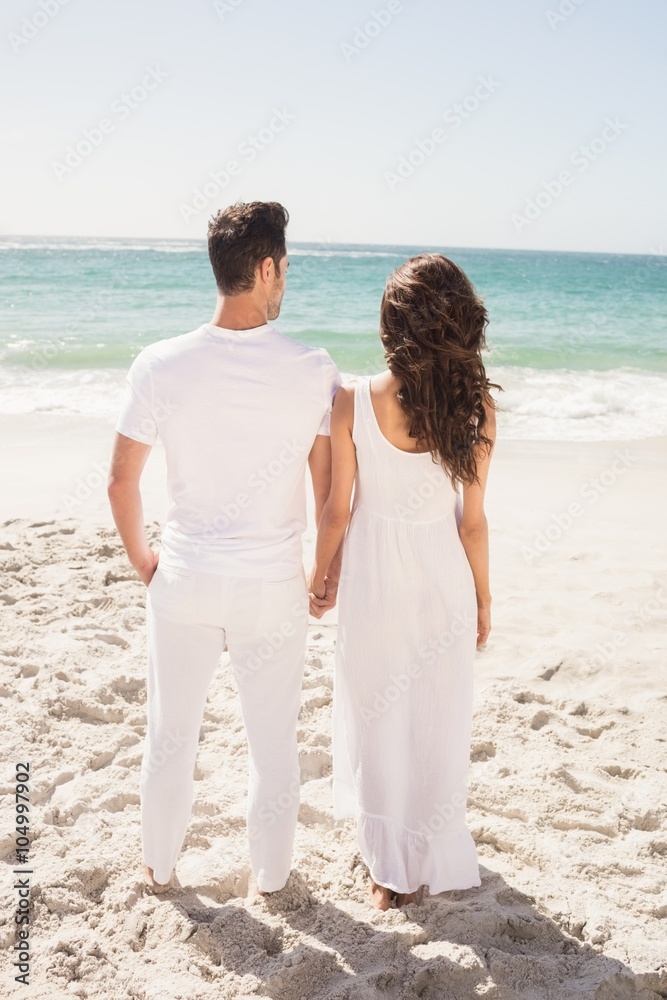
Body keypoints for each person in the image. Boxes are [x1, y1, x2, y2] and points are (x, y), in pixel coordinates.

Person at [107, 201, 342, 895]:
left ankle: (158, 869)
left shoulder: (159, 364)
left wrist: (144, 562)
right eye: (285, 270)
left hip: (183, 578)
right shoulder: (312, 368)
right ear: (265, 268)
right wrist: (320, 572)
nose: (285, 284)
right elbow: (329, 499)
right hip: (272, 587)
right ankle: (270, 881)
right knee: (273, 746)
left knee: (170, 737)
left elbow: (122, 483)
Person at [309, 253, 499, 910]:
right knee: (437, 714)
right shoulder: (474, 408)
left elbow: (338, 507)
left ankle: (387, 872)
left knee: (378, 713)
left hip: (374, 580)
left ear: (393, 328)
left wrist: (320, 573)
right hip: (442, 575)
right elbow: (472, 525)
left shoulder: (352, 400)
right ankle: (433, 848)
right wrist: (482, 596)